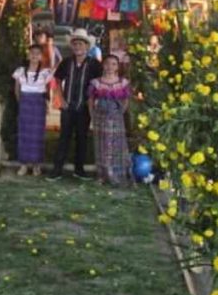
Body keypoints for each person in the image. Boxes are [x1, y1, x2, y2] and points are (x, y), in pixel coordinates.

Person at [48, 29, 102, 180]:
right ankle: (57, 170)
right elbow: (57, 80)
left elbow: (99, 84)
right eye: (75, 44)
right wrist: (61, 99)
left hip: (84, 107)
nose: (78, 46)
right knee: (63, 138)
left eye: (81, 44)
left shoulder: (95, 64)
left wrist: (93, 102)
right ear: (72, 46)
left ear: (87, 46)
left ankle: (79, 170)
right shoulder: (66, 62)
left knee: (82, 138)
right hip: (68, 106)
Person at [89, 55, 132, 185]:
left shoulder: (122, 82)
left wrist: (119, 113)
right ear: (103, 65)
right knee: (101, 144)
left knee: (115, 144)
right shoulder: (96, 82)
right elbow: (90, 100)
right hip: (100, 116)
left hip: (116, 116)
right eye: (107, 63)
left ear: (117, 67)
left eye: (113, 64)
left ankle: (115, 174)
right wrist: (92, 114)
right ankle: (102, 174)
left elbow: (126, 100)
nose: (110, 67)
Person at [12, 44, 53, 176]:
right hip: (25, 104)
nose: (34, 56)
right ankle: (23, 165)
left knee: (37, 135)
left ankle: (36, 165)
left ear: (41, 56)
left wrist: (46, 104)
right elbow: (17, 89)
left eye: (37, 53)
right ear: (28, 55)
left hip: (38, 104)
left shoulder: (45, 72)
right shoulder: (20, 71)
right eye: (32, 53)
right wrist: (21, 102)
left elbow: (47, 90)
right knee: (24, 134)